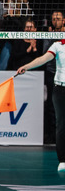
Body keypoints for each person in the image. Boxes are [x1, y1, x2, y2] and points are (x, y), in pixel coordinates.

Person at [16, 40, 65, 176]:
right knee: (61, 125)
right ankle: (63, 160)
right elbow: (43, 59)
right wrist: (27, 66)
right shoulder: (57, 46)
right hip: (60, 89)